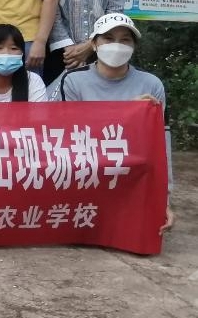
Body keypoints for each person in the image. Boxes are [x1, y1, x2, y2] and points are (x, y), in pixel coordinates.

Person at [48, 12, 173, 233]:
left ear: (133, 46)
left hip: (131, 172)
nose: (117, 45)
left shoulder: (151, 84)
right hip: (87, 172)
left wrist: (164, 199)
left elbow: (161, 145)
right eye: (108, 38)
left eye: (125, 40)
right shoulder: (74, 80)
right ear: (94, 44)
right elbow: (70, 136)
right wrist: (128, 112)